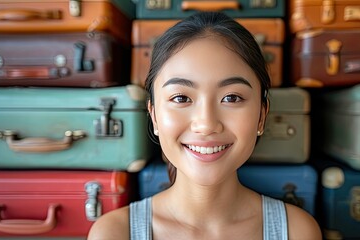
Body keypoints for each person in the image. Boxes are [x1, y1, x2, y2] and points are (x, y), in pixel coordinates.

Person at [88, 11, 322, 240]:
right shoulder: (114, 233)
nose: (206, 124)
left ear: (261, 116)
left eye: (231, 98)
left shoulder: (297, 231)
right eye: (181, 98)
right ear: (154, 115)